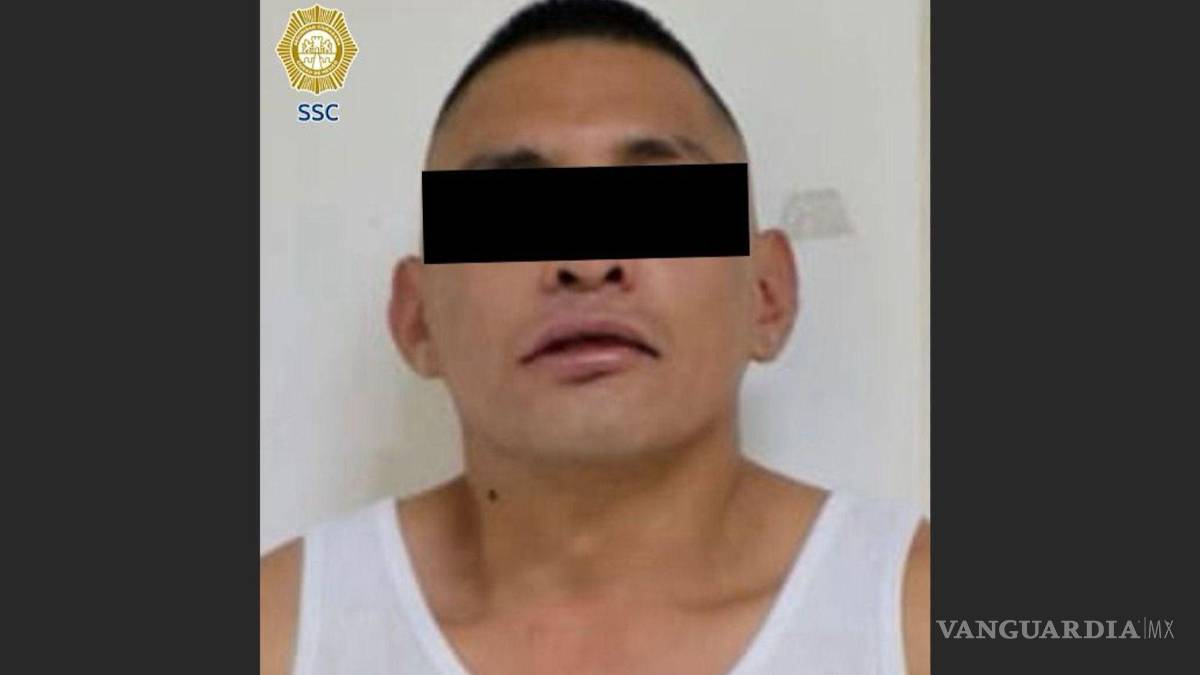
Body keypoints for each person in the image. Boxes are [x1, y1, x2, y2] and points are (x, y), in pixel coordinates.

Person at [260, 1, 930, 673]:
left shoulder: (921, 618)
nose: (586, 262)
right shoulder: (277, 631)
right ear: (417, 317)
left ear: (768, 295)